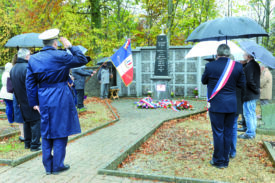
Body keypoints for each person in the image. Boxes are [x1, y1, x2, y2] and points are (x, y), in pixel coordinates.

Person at [25, 28, 88, 175]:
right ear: (55, 43)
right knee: (61, 130)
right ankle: (58, 165)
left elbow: (30, 82)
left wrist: (34, 103)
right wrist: (70, 47)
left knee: (46, 130)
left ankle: (48, 166)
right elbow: (82, 60)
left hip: (44, 97)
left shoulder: (33, 58)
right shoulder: (61, 55)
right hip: (61, 96)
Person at [202, 44, 245, 168]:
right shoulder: (237, 66)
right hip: (231, 105)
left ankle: (218, 160)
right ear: (229, 53)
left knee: (218, 133)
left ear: (217, 54)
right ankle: (225, 160)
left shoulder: (210, 66)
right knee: (228, 132)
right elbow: (242, 84)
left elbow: (204, 81)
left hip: (216, 106)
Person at [10, 48, 41, 151]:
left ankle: (27, 143)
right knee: (36, 122)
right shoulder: (27, 67)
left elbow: (14, 88)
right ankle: (35, 145)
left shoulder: (13, 69)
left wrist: (18, 102)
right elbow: (31, 86)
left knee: (27, 122)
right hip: (30, 100)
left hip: (21, 101)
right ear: (27, 56)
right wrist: (35, 102)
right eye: (30, 54)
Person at [238, 53, 260, 139]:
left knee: (248, 114)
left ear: (248, 56)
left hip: (249, 93)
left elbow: (249, 80)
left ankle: (250, 133)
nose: (243, 55)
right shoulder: (255, 64)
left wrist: (255, 90)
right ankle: (252, 130)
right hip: (252, 93)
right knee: (252, 113)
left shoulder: (250, 65)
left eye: (244, 54)